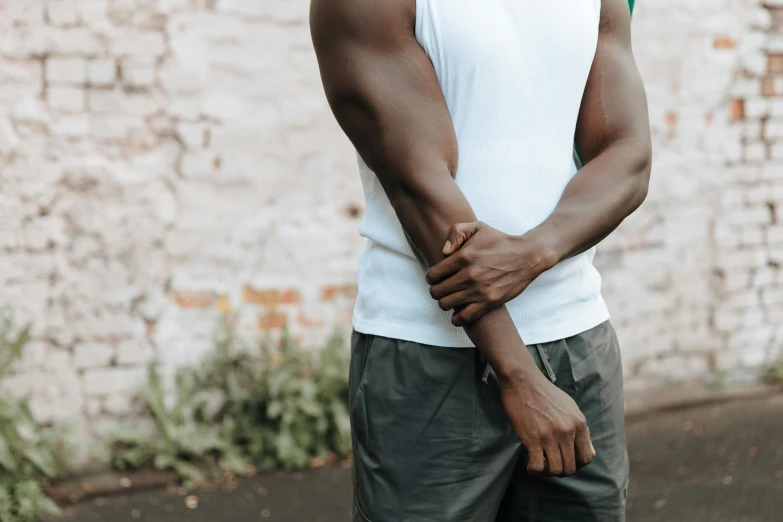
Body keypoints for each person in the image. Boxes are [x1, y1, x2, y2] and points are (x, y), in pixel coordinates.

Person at [311, 0, 651, 519]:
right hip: (427, 352)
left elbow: (627, 154)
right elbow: (419, 185)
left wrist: (532, 252)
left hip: (577, 342)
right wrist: (519, 375)